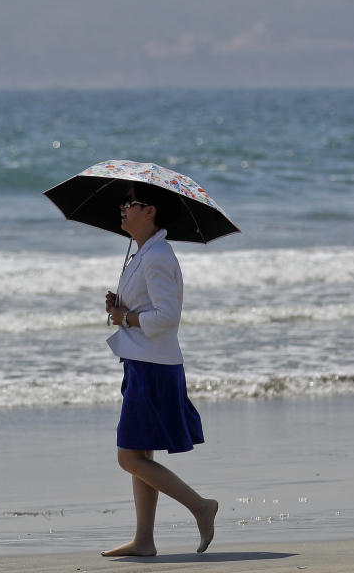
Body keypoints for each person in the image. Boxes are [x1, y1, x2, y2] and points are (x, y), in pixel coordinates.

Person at [101, 185, 218, 557]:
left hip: (153, 366)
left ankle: (201, 506)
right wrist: (121, 307)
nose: (121, 209)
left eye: (128, 204)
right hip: (144, 362)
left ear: (149, 211)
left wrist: (126, 317)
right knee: (141, 454)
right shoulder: (145, 253)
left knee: (128, 457)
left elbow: (167, 317)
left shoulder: (156, 256)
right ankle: (144, 539)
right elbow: (150, 308)